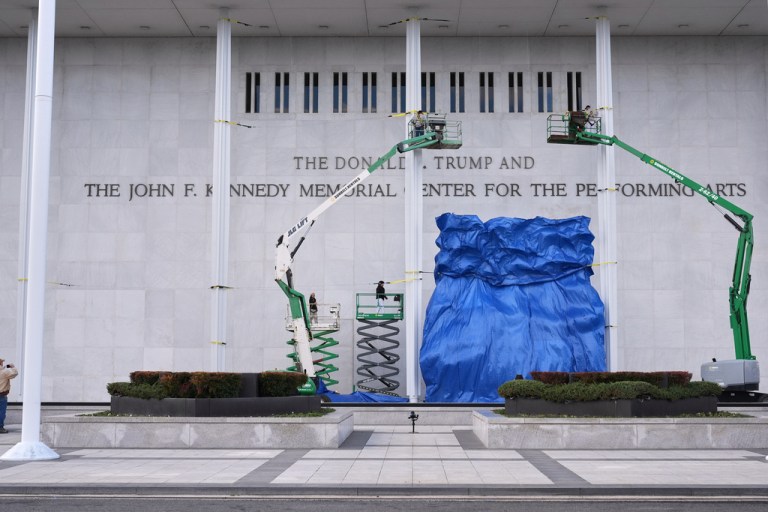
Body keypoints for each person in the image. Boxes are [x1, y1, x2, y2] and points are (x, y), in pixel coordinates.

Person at [0, 357, 18, 434]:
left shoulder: (3, 371)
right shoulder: (4, 372)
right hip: (2, 395)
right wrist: (13, 367)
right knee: (1, 412)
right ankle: (0, 427)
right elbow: (15, 373)